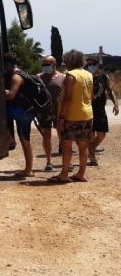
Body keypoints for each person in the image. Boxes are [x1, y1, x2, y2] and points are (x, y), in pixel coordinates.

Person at [49, 50, 93, 183]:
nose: (64, 62)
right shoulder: (88, 74)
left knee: (66, 145)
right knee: (83, 145)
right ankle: (81, 174)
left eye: (66, 60)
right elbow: (91, 96)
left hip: (72, 115)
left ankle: (64, 174)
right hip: (87, 114)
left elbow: (67, 98)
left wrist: (61, 118)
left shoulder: (71, 75)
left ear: (70, 61)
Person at [4, 52, 35, 177]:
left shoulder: (16, 77)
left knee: (25, 140)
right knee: (24, 139)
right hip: (24, 110)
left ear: (7, 64)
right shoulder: (22, 73)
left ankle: (28, 170)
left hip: (23, 111)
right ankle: (10, 138)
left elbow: (11, 95)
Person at [86, 56, 119, 166]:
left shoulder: (104, 77)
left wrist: (116, 104)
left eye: (92, 64)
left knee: (101, 135)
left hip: (100, 110)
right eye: (88, 64)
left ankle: (91, 148)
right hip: (88, 110)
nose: (90, 66)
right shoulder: (85, 78)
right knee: (91, 135)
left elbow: (110, 91)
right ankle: (92, 157)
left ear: (97, 65)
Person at [36, 55, 65, 171]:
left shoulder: (63, 77)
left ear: (54, 65)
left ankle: (66, 161)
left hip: (59, 112)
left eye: (47, 64)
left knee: (63, 137)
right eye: (43, 64)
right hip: (45, 112)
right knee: (46, 137)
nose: (45, 67)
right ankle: (49, 162)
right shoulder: (38, 77)